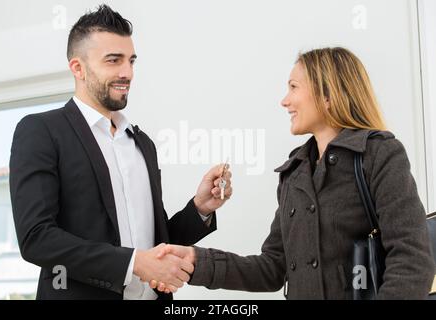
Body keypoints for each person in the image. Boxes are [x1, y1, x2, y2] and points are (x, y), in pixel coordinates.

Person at [150, 47, 435, 299]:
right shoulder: (295, 171)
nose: (284, 101)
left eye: (293, 87)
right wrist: (197, 261)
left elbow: (412, 260)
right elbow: (273, 267)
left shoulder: (379, 154)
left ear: (327, 94)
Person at [9, 4, 232, 300]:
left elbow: (156, 242)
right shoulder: (41, 131)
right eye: (113, 61)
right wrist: (132, 263)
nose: (126, 73)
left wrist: (200, 208)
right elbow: (36, 239)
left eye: (131, 61)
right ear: (78, 68)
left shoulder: (143, 144)